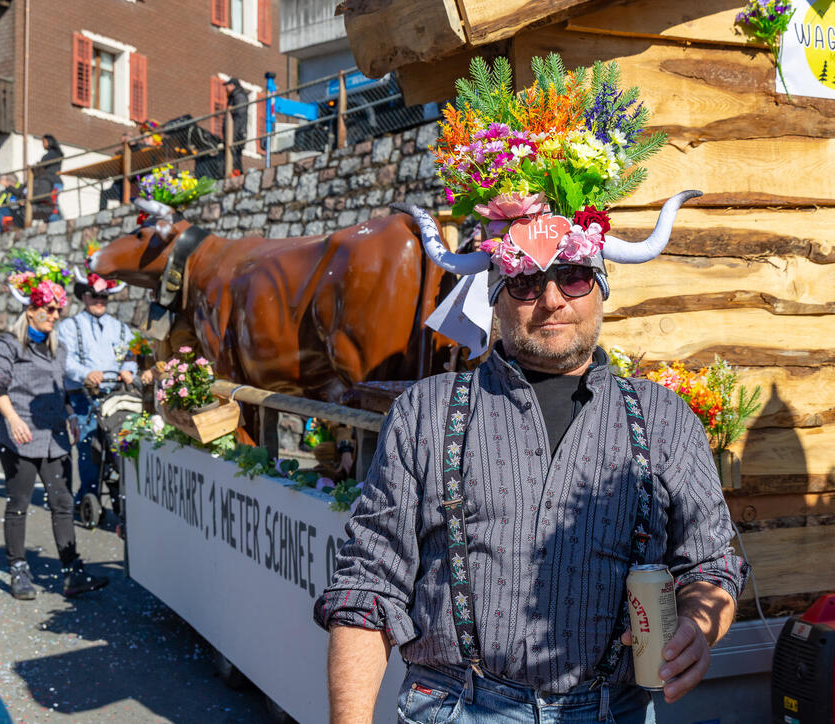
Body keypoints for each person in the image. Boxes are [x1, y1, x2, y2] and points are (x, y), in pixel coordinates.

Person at [314, 57, 748, 723]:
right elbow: (368, 585)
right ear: (493, 298)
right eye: (521, 282)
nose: (548, 301)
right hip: (454, 707)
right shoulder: (424, 414)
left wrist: (700, 622)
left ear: (600, 288)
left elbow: (712, 564)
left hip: (611, 710)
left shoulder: (662, 420)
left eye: (572, 277)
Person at [0, 251, 109, 600]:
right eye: (49, 310)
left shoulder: (58, 349)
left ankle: (72, 572)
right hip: (20, 436)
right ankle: (18, 570)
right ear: (30, 309)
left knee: (62, 502)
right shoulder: (7, 344)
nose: (55, 316)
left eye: (59, 311)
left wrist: (70, 415)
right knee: (19, 503)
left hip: (55, 439)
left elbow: (61, 389)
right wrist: (12, 420)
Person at [55, 270, 135, 509]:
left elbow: (131, 356)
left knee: (120, 447)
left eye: (104, 297)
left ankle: (120, 493)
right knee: (89, 449)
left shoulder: (120, 328)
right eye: (94, 296)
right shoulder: (70, 327)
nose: (100, 301)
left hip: (116, 396)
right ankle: (88, 496)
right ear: (84, 297)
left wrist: (129, 370)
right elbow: (65, 361)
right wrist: (85, 374)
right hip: (84, 397)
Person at [222, 77, 249, 174]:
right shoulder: (233, 97)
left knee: (235, 155)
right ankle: (235, 173)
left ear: (233, 86)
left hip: (237, 133)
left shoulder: (239, 96)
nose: (226, 89)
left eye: (227, 86)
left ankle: (236, 173)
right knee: (233, 155)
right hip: (235, 133)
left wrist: (232, 135)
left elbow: (239, 116)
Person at [34, 134, 64, 222]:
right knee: (51, 203)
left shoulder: (52, 155)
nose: (42, 144)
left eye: (44, 142)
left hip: (53, 183)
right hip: (52, 183)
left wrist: (38, 165)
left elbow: (41, 166)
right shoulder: (57, 154)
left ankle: (58, 221)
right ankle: (56, 220)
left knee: (52, 204)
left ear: (49, 142)